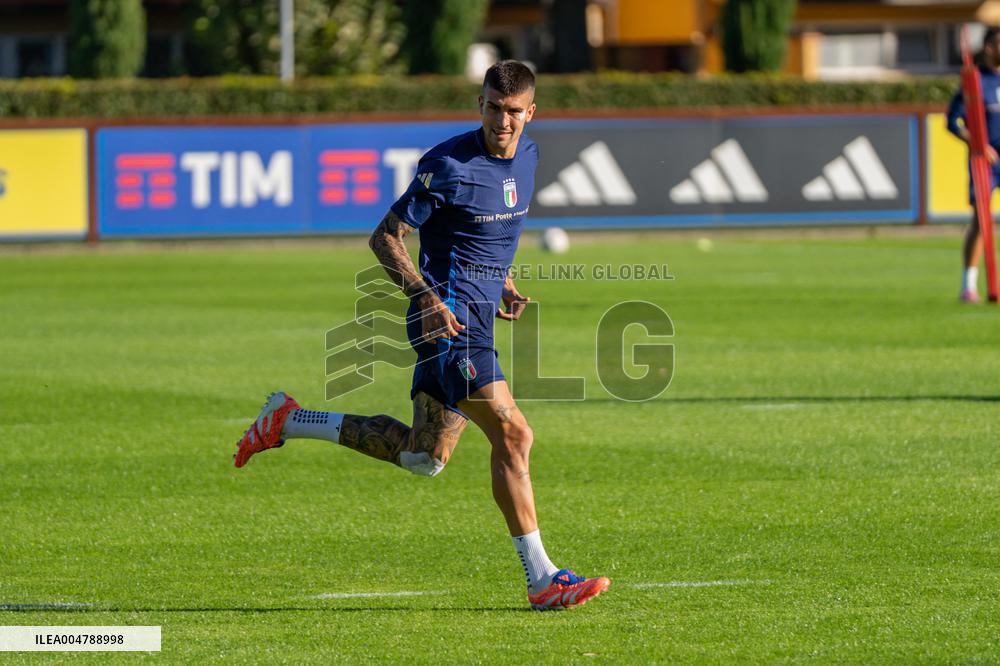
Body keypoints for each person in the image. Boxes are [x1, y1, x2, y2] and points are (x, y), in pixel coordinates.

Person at [233, 60, 610, 611]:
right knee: (514, 435)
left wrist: (501, 280)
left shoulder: (527, 156)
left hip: (477, 318)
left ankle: (288, 419)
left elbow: (488, 233)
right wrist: (424, 295)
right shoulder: (448, 165)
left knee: (423, 456)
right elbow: (385, 237)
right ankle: (542, 578)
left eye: (512, 112)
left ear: (531, 113)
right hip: (448, 324)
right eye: (491, 107)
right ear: (478, 104)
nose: (501, 121)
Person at [947, 26, 1000, 303]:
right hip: (984, 163)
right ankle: (969, 286)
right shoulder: (974, 80)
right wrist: (978, 144)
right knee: (981, 221)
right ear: (990, 47)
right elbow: (952, 122)